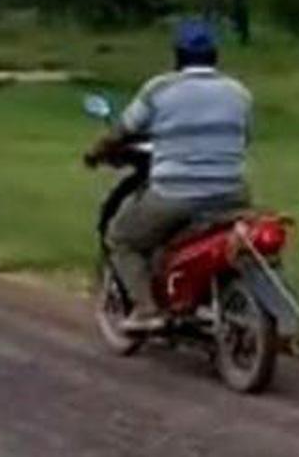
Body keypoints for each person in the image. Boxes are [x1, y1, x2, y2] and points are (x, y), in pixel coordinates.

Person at [85, 19, 253, 332]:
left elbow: (123, 131)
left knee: (122, 238)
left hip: (176, 194)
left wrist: (96, 153)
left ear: (178, 55)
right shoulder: (239, 93)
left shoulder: (160, 90)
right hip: (233, 192)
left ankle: (147, 310)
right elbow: (244, 139)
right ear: (215, 55)